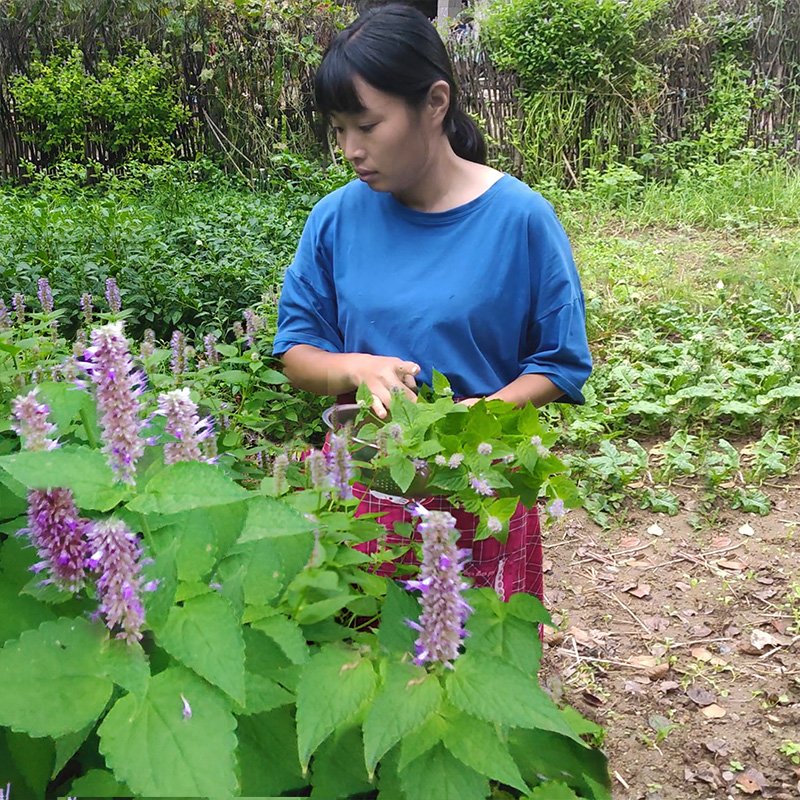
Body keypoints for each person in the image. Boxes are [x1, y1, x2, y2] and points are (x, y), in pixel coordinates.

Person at [272, 3, 592, 601]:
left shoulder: (520, 219)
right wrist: (356, 367)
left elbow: (561, 362)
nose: (349, 148)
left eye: (366, 126)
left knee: (472, 678)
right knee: (359, 672)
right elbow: (295, 350)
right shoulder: (336, 220)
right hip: (360, 493)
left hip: (478, 487)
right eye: (338, 128)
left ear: (435, 103)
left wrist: (480, 418)